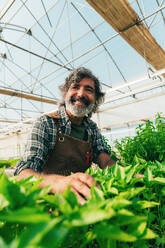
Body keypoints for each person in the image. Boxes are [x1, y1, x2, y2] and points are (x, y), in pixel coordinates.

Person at [14, 67, 115, 204]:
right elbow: (23, 173)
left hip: (80, 200)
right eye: (75, 87)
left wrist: (127, 174)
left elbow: (105, 159)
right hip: (46, 201)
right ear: (65, 94)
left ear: (95, 99)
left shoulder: (91, 128)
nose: (81, 93)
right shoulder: (47, 123)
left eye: (89, 90)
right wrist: (58, 183)